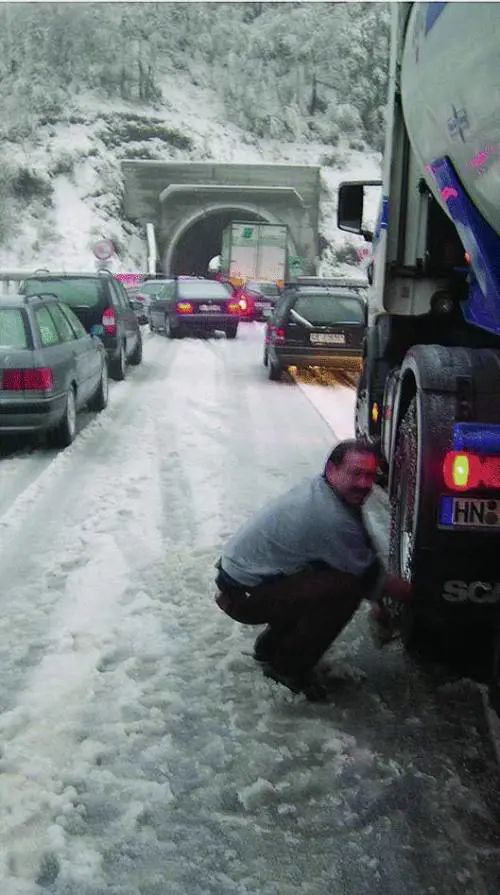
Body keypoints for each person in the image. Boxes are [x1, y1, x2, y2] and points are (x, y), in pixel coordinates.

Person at [214, 439, 412, 700]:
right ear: (332, 469)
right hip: (244, 595)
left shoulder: (325, 491)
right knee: (347, 588)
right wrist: (429, 597)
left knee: (326, 577)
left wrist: (380, 601)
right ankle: (287, 669)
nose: (365, 483)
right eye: (356, 473)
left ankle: (269, 649)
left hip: (247, 582)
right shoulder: (329, 516)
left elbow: (362, 549)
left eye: (370, 475)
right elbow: (371, 579)